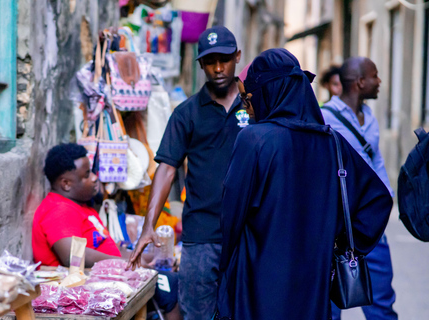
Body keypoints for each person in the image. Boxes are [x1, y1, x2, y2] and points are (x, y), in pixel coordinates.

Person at [216, 48, 393, 319]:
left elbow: (231, 217)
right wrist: (339, 246)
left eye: (247, 97)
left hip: (256, 284)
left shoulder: (254, 140)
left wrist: (225, 273)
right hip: (313, 285)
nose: (245, 107)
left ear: (269, 92)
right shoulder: (332, 143)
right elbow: (377, 200)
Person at [127, 26, 248, 319]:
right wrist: (148, 227)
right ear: (201, 65)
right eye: (210, 62)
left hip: (249, 233)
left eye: (225, 60)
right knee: (196, 315)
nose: (218, 68)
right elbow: (166, 169)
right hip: (201, 236)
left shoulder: (255, 106)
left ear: (238, 57)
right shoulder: (186, 113)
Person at [32, 143, 181, 319]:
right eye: (87, 175)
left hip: (111, 277)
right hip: (84, 290)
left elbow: (109, 248)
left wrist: (148, 258)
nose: (95, 178)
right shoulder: (59, 210)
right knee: (173, 285)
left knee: (173, 276)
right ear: (66, 184)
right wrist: (127, 264)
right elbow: (72, 255)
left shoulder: (82, 206)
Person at [321, 57, 398, 320]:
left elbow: (376, 162)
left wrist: (385, 200)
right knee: (328, 303)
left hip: (368, 224)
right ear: (360, 82)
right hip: (335, 228)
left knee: (382, 301)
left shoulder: (370, 118)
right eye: (375, 76)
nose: (379, 82)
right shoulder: (325, 117)